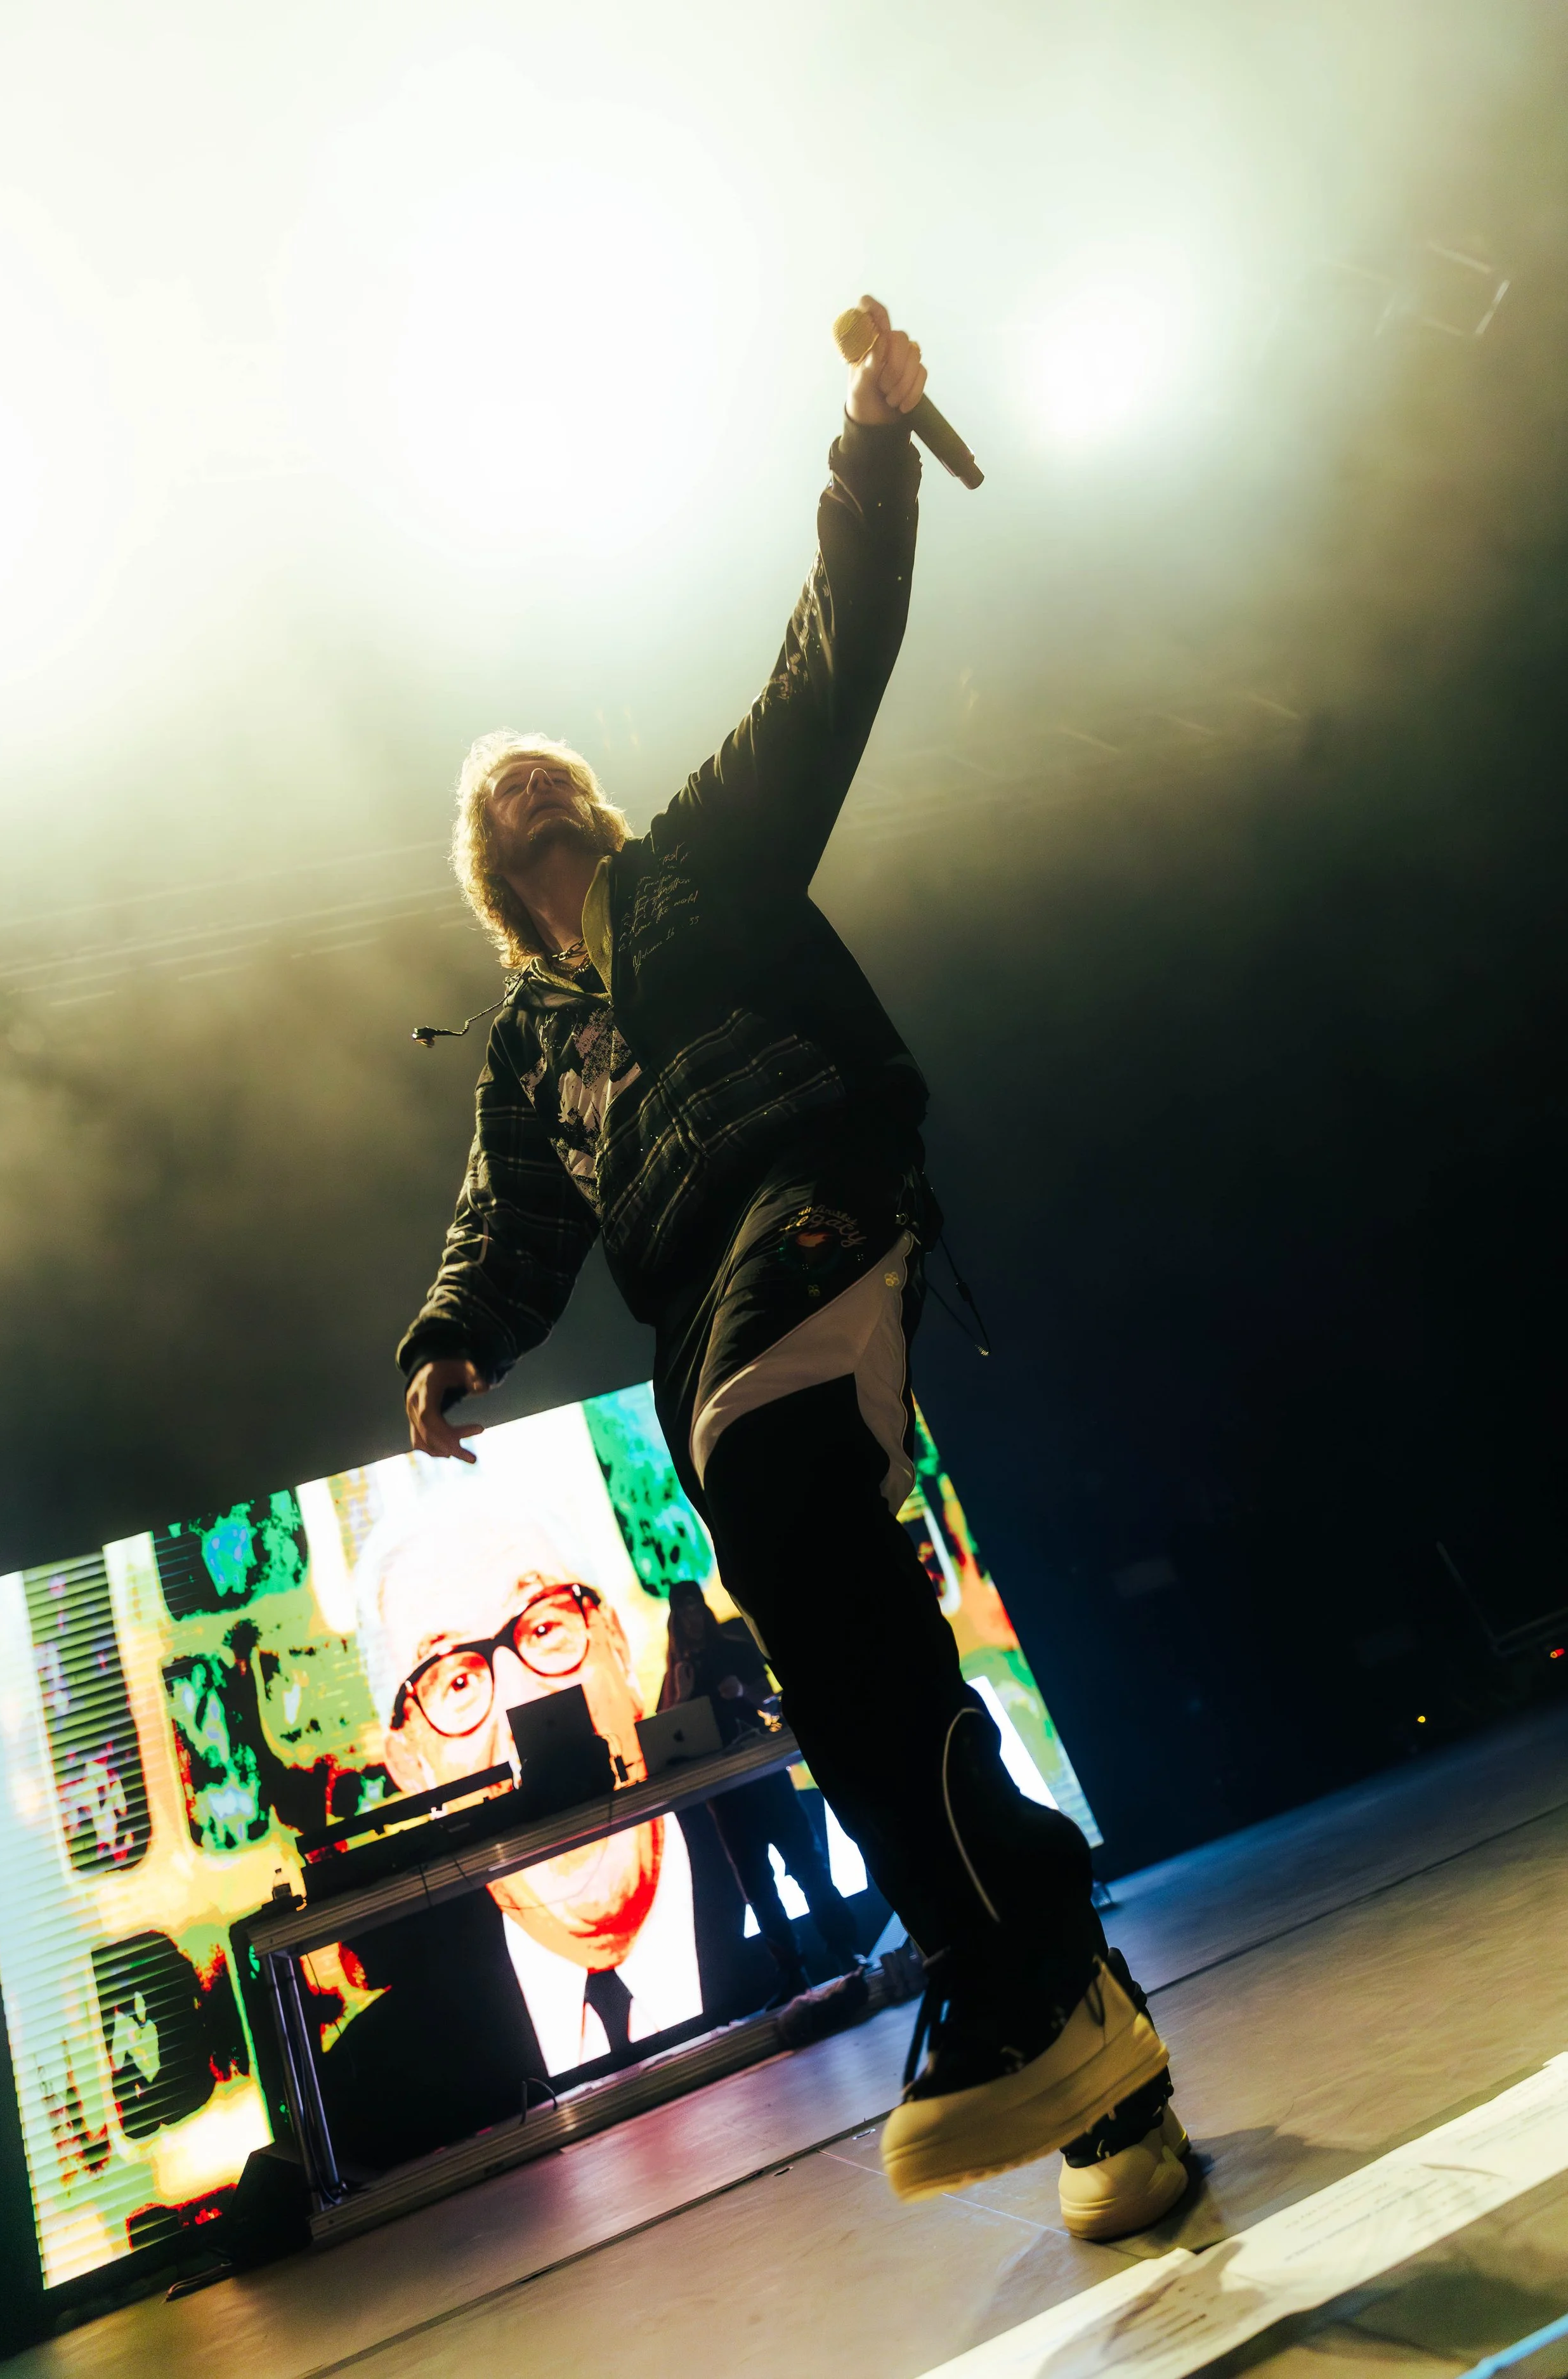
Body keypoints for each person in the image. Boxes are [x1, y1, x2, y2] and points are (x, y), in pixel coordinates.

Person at [398, 298, 1188, 2236]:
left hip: (814, 1195)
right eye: (490, 795)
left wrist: (867, 443)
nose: (521, 789)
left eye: (539, 769)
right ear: (486, 874)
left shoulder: (700, 859)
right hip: (702, 1311)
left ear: (585, 802)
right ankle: (1081, 2046)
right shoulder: (526, 1049)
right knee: (826, 1644)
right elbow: (509, 1213)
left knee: (774, 1487)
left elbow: (828, 656)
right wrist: (454, 1334)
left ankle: (1017, 1963)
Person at [353, 1503, 702, 2077]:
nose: (524, 1706)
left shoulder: (814, 1856)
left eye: (543, 1629)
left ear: (618, 1650)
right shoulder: (378, 2081)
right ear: (413, 1769)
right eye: (457, 1682)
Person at [659, 1579, 859, 2005]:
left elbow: (774, 1705)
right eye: (684, 1612)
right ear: (676, 1621)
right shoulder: (676, 1675)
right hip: (727, 1796)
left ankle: (843, 1950)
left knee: (808, 1866)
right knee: (758, 1888)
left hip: (766, 1780)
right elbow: (665, 1739)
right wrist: (682, 1695)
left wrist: (743, 1693)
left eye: (696, 1608)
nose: (692, 1618)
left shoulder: (735, 1648)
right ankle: (793, 1973)